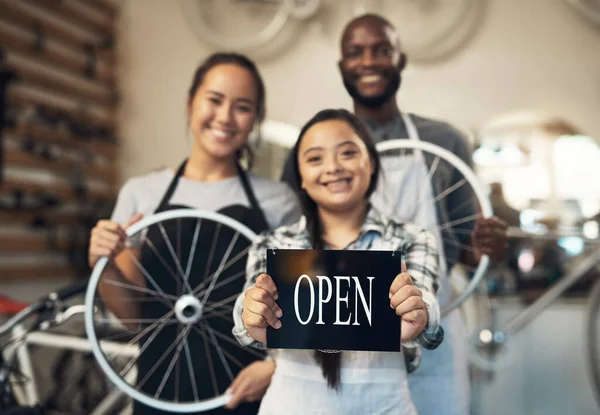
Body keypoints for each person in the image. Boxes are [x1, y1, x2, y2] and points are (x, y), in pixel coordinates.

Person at [279, 14, 509, 415]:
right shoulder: (311, 146)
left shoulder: (444, 141)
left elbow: (467, 250)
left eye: (381, 49)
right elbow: (297, 252)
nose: (369, 61)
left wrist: (490, 247)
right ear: (342, 66)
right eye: (356, 52)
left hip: (432, 326)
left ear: (400, 59)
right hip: (342, 341)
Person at [88, 53, 301, 415]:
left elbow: (301, 308)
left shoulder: (278, 200)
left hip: (249, 390)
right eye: (214, 100)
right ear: (190, 103)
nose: (225, 117)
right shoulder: (141, 193)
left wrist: (276, 367)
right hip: (159, 386)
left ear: (254, 121)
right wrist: (102, 263)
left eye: (242, 107)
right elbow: (136, 317)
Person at [233, 108, 444, 414]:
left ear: (370, 163)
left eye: (347, 153)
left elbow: (427, 309)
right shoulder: (272, 245)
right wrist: (250, 313)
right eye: (315, 158)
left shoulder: (413, 239)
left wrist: (420, 313)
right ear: (301, 177)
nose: (332, 167)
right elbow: (245, 322)